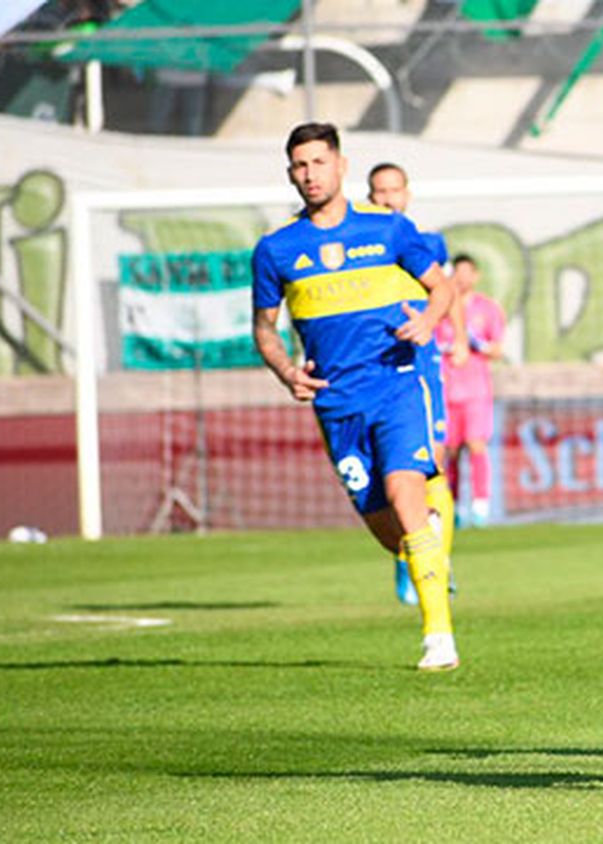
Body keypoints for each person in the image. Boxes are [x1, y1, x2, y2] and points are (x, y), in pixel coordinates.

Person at [252, 123, 460, 671]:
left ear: (341, 166)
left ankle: (439, 635)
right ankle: (428, 546)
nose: (309, 174)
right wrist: (284, 370)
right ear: (289, 172)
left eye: (319, 162)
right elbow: (264, 329)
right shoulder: (276, 249)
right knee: (386, 528)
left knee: (403, 490)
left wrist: (430, 323)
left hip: (396, 385)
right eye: (299, 165)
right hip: (334, 402)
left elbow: (443, 287)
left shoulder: (390, 229)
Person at [367, 161, 466, 604]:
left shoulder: (428, 242)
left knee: (434, 463)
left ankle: (434, 563)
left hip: (422, 362)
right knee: (391, 472)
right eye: (379, 192)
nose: (387, 198)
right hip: (374, 365)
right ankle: (409, 549)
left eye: (394, 190)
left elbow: (446, 291)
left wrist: (459, 337)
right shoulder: (362, 242)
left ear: (407, 193)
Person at [434, 254, 506, 527]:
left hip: (475, 391)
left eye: (467, 273)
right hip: (445, 390)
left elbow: (497, 349)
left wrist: (478, 345)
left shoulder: (486, 308)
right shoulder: (440, 307)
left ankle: (480, 505)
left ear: (475, 276)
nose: (462, 278)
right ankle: (452, 506)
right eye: (458, 273)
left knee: (476, 445)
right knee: (449, 450)